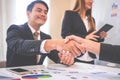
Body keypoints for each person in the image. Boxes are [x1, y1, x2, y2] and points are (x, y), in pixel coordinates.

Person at [6, 0, 81, 67]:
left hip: (37, 76)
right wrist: (54, 43)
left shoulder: (46, 37)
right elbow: (19, 46)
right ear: (28, 14)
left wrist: (66, 59)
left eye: (45, 12)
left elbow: (57, 58)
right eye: (39, 11)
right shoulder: (15, 29)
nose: (43, 14)